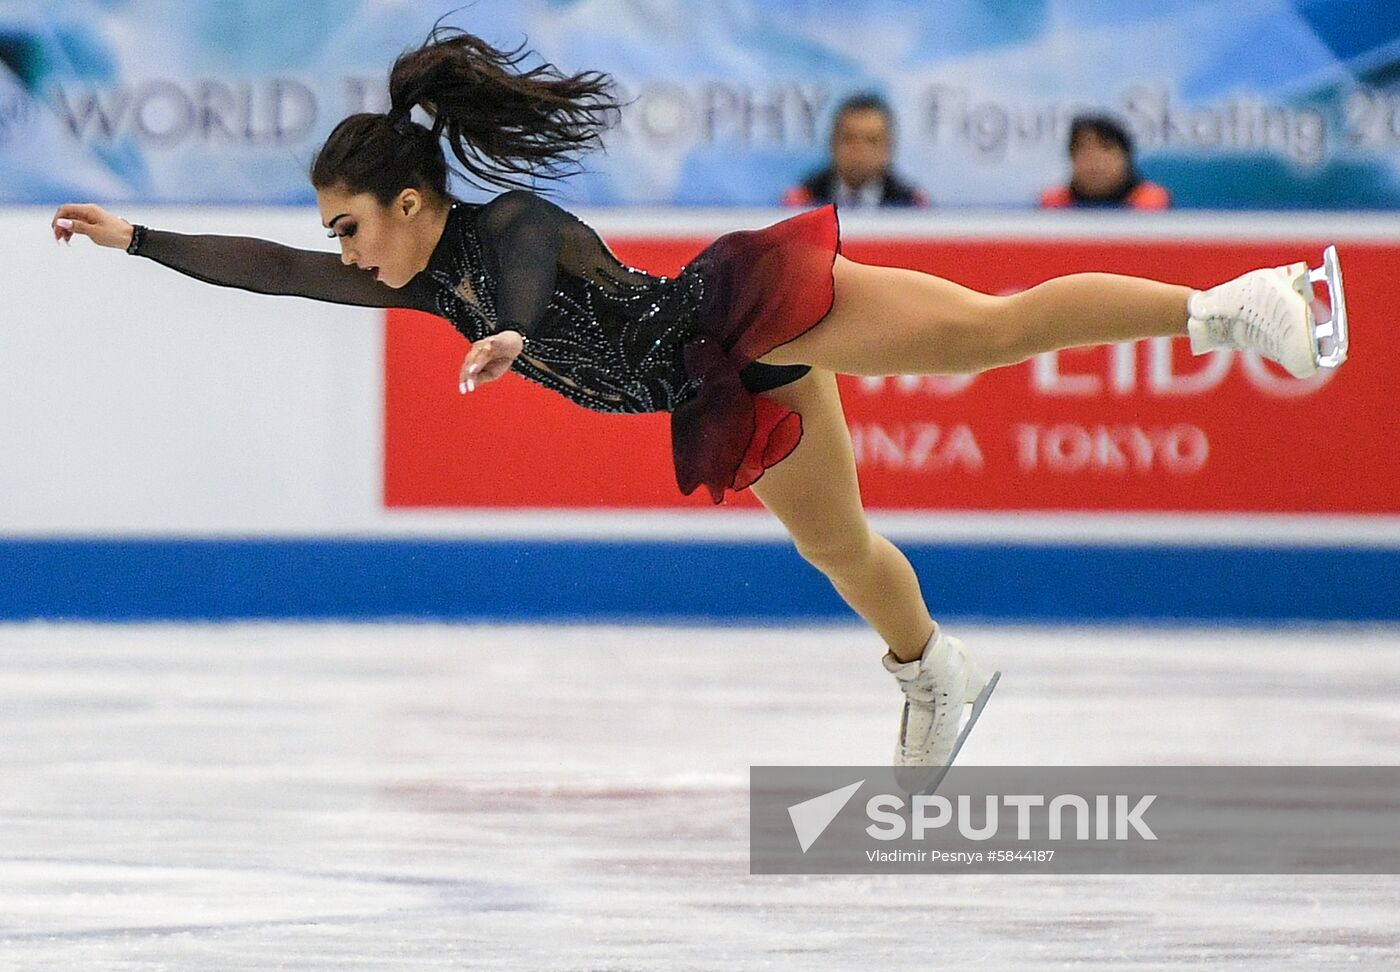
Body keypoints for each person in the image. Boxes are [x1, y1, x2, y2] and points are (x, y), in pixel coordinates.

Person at [50, 27, 1338, 786]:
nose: (337, 250)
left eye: (347, 224)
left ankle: (1238, 302)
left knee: (984, 338)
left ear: (403, 201)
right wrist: (139, 238)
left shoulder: (499, 230)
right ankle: (937, 671)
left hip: (740, 310)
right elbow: (273, 275)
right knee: (841, 548)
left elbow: (530, 258)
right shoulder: (420, 283)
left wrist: (502, 326)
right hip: (711, 391)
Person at [781, 92, 929, 209]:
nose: (860, 149)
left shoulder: (908, 203)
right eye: (849, 138)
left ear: (889, 148)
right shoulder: (805, 199)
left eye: (872, 140)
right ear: (832, 143)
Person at [1040, 113, 1171, 210]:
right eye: (1082, 149)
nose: (1094, 159)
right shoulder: (1053, 205)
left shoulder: (1154, 205)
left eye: (1105, 148)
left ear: (1126, 157)